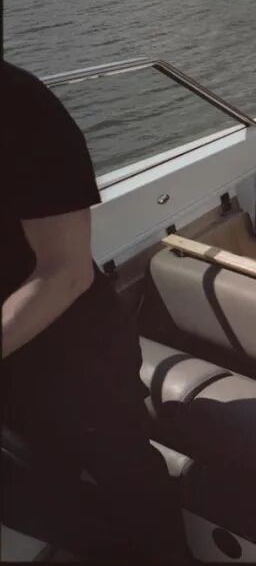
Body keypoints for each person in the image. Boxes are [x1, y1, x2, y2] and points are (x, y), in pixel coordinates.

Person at [1, 59, 188, 561]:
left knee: (128, 483)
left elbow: (65, 271)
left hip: (74, 358)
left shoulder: (21, 106)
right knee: (32, 494)